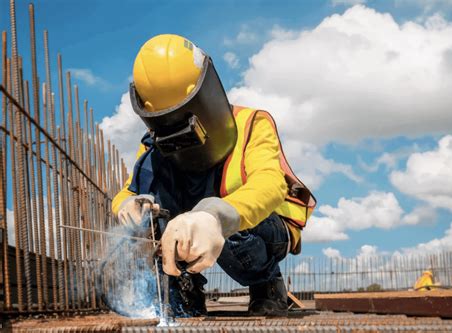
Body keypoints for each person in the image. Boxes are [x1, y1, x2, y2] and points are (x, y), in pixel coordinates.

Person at [112, 34, 316, 317]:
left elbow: (269, 184)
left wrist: (214, 215)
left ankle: (266, 284)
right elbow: (130, 192)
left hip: (261, 228)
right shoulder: (155, 143)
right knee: (154, 223)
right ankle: (186, 288)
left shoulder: (252, 123)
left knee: (231, 224)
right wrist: (125, 205)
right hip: (198, 227)